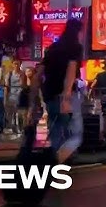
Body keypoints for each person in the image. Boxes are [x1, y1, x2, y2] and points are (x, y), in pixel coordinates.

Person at [32, 19, 84, 161]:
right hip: (65, 96)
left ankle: (54, 164)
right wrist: (66, 97)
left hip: (49, 95)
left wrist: (34, 98)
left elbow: (38, 74)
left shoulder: (53, 48)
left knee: (55, 133)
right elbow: (71, 71)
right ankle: (54, 164)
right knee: (75, 135)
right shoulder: (75, 47)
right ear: (78, 32)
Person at [0, 59, 25, 134]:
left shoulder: (23, 74)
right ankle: (13, 127)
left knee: (20, 113)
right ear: (12, 65)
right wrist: (5, 98)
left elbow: (23, 84)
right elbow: (6, 86)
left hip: (20, 95)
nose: (16, 65)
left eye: (18, 64)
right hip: (11, 96)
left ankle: (21, 128)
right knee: (11, 113)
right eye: (15, 64)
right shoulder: (9, 74)